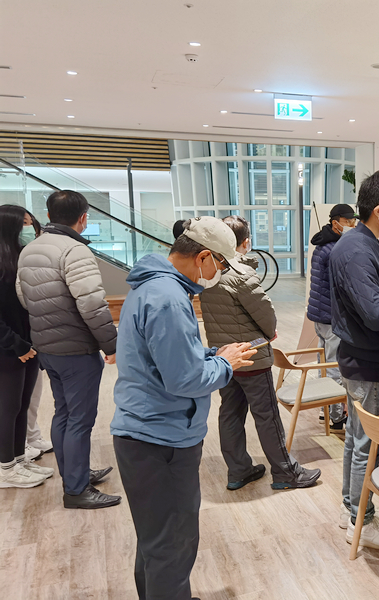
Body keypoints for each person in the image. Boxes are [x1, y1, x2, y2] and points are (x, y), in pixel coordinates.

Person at [111, 216, 257, 600]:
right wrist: (225, 365)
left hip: (143, 430)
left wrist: (212, 354)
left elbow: (164, 359)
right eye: (221, 265)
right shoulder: (169, 299)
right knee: (173, 546)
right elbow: (184, 380)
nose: (220, 274)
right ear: (204, 257)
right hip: (161, 438)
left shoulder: (151, 286)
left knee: (156, 540)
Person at [202, 215, 321, 490]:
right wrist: (268, 335)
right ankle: (286, 473)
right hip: (251, 356)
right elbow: (266, 315)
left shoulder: (209, 273)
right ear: (244, 242)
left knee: (230, 413)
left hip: (224, 357)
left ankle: (238, 471)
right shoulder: (242, 274)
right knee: (267, 416)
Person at [16, 190, 119, 509]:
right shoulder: (75, 251)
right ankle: (76, 490)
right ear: (83, 218)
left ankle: (75, 474)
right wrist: (111, 344)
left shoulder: (30, 249)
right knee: (80, 420)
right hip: (76, 350)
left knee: (64, 413)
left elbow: (23, 297)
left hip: (46, 347)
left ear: (48, 215)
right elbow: (92, 304)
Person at [329, 171, 379, 551]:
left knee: (355, 439)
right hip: (365, 362)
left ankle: (352, 507)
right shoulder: (357, 250)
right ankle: (361, 520)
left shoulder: (361, 243)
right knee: (366, 445)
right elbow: (378, 313)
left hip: (362, 358)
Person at [0, 205, 53, 488]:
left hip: (28, 344)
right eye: (24, 223)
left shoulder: (20, 258)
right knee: (7, 408)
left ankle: (19, 459)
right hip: (9, 348)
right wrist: (15, 343)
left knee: (22, 406)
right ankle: (5, 468)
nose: (30, 229)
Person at [308, 204, 357, 429]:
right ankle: (336, 417)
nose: (352, 225)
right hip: (331, 317)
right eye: (348, 221)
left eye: (353, 221)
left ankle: (326, 410)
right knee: (334, 367)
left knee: (325, 365)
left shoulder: (323, 245)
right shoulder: (334, 249)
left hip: (320, 315)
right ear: (336, 222)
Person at [17, 210, 53, 462]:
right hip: (15, 340)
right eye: (24, 224)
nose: (29, 228)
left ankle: (31, 435)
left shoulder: (27, 257)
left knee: (33, 392)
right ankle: (17, 445)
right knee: (16, 398)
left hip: (32, 335)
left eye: (31, 223)